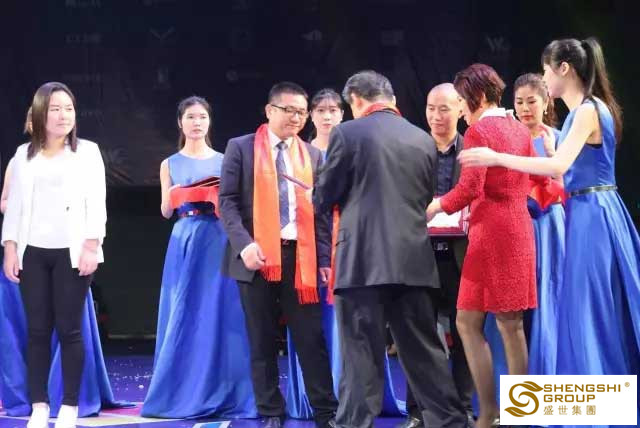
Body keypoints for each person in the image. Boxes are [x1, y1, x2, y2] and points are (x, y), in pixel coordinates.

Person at [458, 38, 640, 428]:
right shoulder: (593, 108)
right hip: (591, 210)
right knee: (591, 311)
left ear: (563, 69)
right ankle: (596, 408)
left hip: (591, 214)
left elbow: (557, 167)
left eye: (545, 71)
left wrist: (496, 157)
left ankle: (595, 414)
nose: (543, 78)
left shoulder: (586, 111)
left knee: (588, 313)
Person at [315, 70, 468, 428]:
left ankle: (353, 424)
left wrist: (317, 191)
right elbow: (424, 196)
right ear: (392, 100)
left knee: (360, 353)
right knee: (425, 354)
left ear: (356, 100)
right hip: (414, 260)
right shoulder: (422, 139)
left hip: (362, 261)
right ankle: (449, 421)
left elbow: (324, 197)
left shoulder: (346, 134)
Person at [426, 64, 556, 428]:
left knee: (472, 323)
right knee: (506, 325)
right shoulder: (518, 128)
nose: (460, 109)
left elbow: (470, 188)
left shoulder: (480, 130)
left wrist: (433, 207)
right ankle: (513, 415)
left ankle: (490, 413)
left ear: (479, 96)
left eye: (461, 101)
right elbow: (533, 176)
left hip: (492, 233)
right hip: (516, 229)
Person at [219, 82, 337, 428]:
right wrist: (244, 244)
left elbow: (322, 215)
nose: (296, 118)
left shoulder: (312, 156)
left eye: (302, 112)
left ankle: (326, 412)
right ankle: (270, 410)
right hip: (254, 259)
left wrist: (325, 260)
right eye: (289, 110)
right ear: (270, 110)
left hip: (301, 260)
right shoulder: (241, 148)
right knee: (261, 339)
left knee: (311, 340)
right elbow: (227, 202)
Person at [0, 108, 127, 420]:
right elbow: (14, 205)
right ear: (40, 115)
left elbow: (96, 201)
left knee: (70, 331)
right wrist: (10, 247)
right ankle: (39, 407)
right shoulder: (23, 155)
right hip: (32, 251)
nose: (63, 115)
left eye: (68, 109)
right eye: (55, 109)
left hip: (71, 252)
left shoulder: (87, 152)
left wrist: (92, 245)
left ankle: (69, 407)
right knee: (37, 332)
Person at [286, 88, 404, 418]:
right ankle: (320, 399)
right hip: (308, 249)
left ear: (344, 113)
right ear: (311, 116)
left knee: (355, 323)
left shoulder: (358, 145)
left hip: (354, 245)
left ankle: (354, 400)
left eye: (334, 110)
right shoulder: (298, 153)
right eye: (320, 110)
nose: (327, 116)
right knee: (313, 325)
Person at [141, 96, 257, 418]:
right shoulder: (170, 163)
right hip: (186, 237)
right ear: (181, 123)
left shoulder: (224, 159)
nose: (196, 123)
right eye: (190, 117)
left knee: (222, 310)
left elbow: (237, 204)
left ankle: (227, 388)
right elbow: (166, 211)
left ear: (209, 122)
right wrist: (178, 194)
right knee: (184, 310)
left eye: (202, 117)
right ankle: (180, 387)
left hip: (219, 237)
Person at [398, 83, 474, 428]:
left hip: (462, 257)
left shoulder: (474, 150)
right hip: (420, 254)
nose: (436, 115)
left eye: (444, 108)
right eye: (431, 108)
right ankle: (418, 411)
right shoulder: (412, 148)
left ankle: (462, 407)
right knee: (417, 336)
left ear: (460, 108)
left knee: (466, 335)